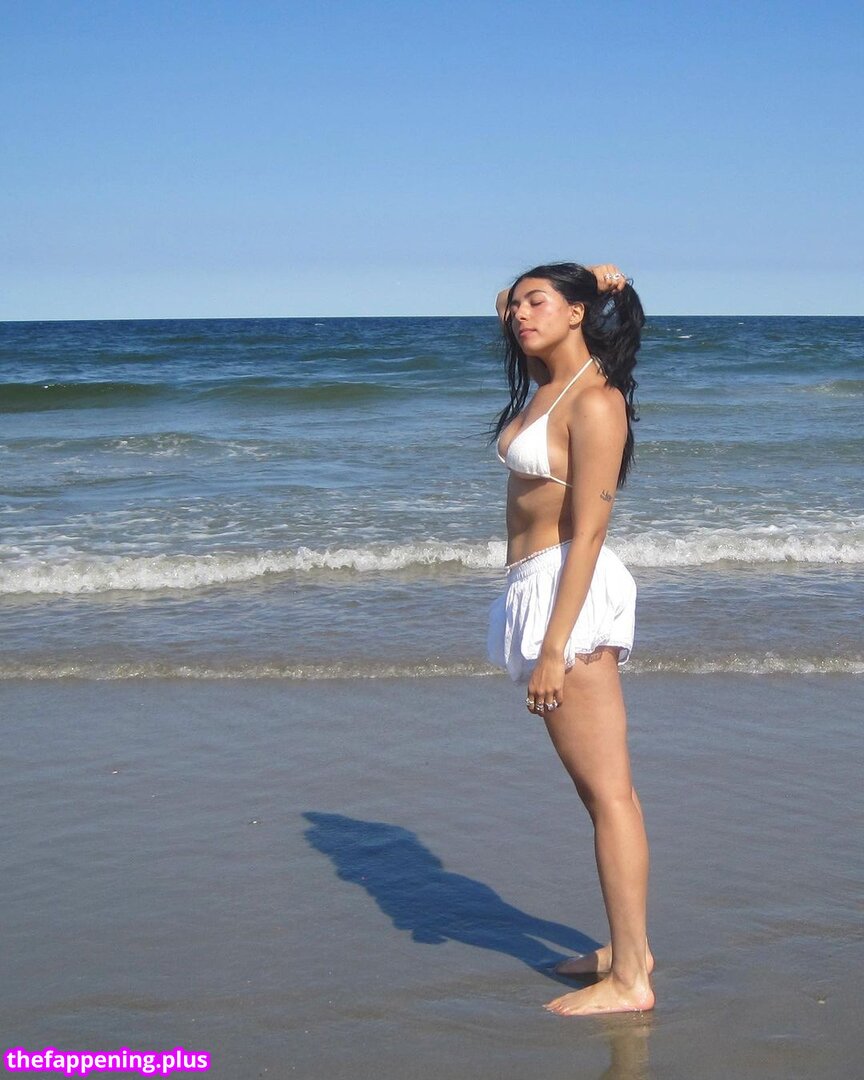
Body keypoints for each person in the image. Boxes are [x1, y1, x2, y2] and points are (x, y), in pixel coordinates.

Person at [487, 262, 653, 1015]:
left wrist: (554, 648)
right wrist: (584, 276)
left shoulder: (595, 400)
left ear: (577, 313)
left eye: (539, 303)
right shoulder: (545, 380)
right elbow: (504, 301)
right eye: (518, 305)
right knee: (597, 793)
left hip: (569, 593)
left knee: (610, 794)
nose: (520, 314)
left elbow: (589, 534)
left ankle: (631, 981)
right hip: (536, 585)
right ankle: (627, 949)